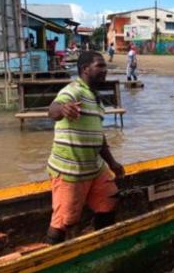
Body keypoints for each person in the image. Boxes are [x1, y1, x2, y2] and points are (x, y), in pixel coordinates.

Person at [45, 51, 125, 245]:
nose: (104, 70)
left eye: (105, 66)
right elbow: (53, 109)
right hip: (71, 171)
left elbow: (98, 136)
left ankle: (99, 242)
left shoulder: (95, 99)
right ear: (85, 69)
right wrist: (63, 110)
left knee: (110, 198)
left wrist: (112, 163)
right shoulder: (74, 90)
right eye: (100, 66)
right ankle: (50, 254)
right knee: (64, 220)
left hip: (94, 168)